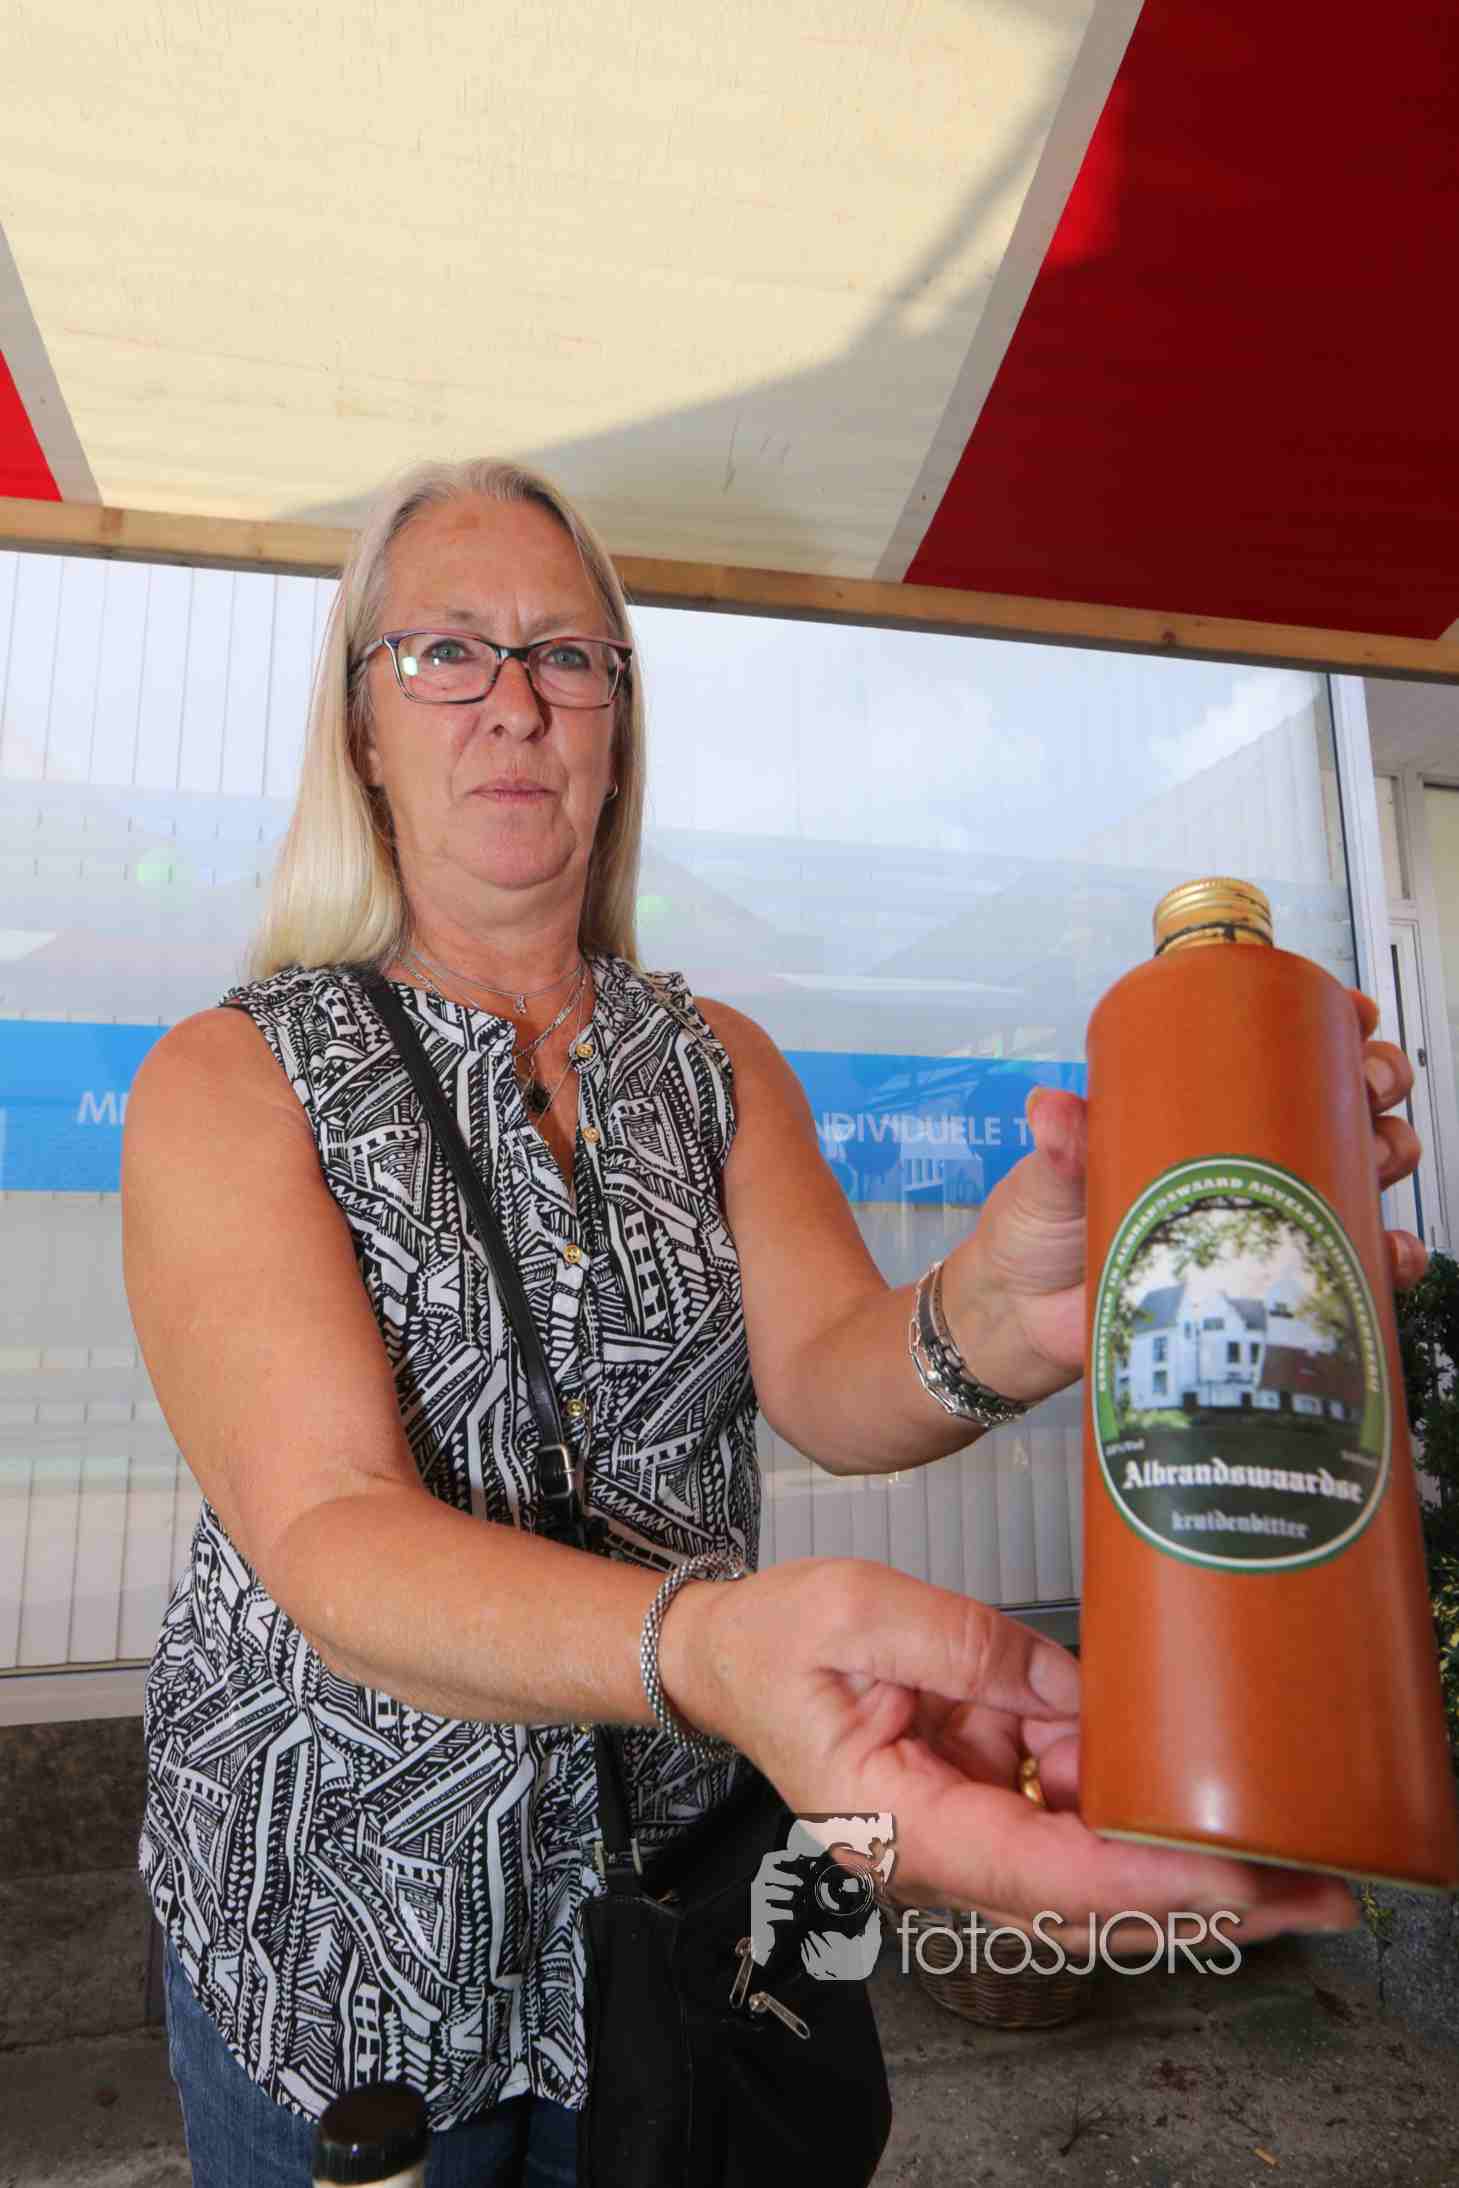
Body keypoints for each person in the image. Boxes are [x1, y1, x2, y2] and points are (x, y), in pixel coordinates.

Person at [123, 458, 1424, 2186]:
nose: (512, 703)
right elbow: (328, 1529)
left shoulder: (716, 1060)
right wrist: (718, 1651)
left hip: (693, 1919)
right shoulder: (231, 1075)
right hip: (343, 1955)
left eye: (565, 655)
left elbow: (828, 1380)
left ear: (618, 725)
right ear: (361, 726)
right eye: (445, 652)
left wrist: (1008, 1305)